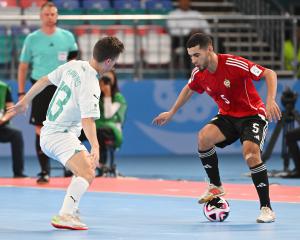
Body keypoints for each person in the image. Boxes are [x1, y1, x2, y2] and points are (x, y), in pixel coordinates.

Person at [153, 33, 281, 223]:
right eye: (190, 56)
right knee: (203, 137)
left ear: (209, 49)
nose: (193, 60)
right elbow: (189, 88)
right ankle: (216, 185)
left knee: (251, 154)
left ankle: (266, 208)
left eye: (197, 55)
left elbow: (269, 73)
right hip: (228, 116)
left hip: (252, 115)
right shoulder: (199, 73)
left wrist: (270, 100)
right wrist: (172, 111)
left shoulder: (233, 63)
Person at [10, 36, 124, 230]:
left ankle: (72, 208)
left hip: (51, 132)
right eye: (114, 62)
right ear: (108, 61)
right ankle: (65, 214)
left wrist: (25, 101)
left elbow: (44, 80)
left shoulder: (73, 65)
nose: (113, 66)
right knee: (88, 171)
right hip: (59, 136)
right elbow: (87, 120)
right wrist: (95, 146)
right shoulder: (91, 84)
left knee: (82, 167)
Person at [17, 2, 79, 183]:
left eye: (53, 14)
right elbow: (23, 67)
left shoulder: (67, 37)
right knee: (40, 129)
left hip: (63, 88)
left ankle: (69, 167)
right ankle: (44, 171)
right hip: (40, 87)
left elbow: (73, 63)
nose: (50, 17)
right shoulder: (32, 39)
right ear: (41, 16)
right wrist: (22, 93)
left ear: (57, 16)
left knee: (66, 127)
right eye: (47, 14)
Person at [167, 0, 211, 74]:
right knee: (190, 45)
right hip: (182, 39)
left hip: (200, 38)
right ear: (179, 3)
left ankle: (216, 68)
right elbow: (173, 31)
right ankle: (191, 73)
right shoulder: (173, 14)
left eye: (187, 1)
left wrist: (200, 32)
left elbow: (207, 28)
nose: (185, 3)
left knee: (216, 41)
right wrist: (189, 32)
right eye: (183, 1)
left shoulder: (196, 14)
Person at [0, 80, 26, 178]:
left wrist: (3, 119)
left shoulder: (3, 87)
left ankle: (18, 173)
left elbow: (11, 109)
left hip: (1, 126)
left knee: (16, 134)